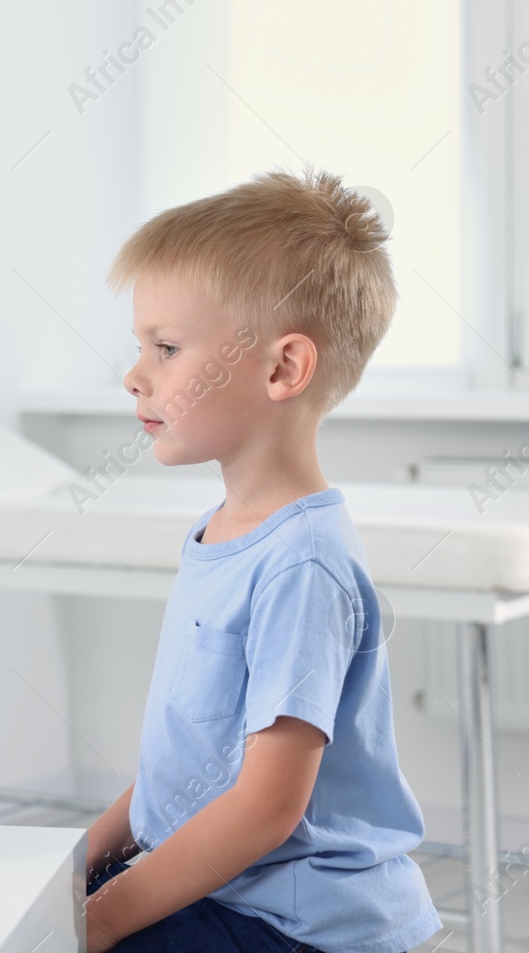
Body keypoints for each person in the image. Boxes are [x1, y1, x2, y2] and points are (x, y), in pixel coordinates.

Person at [83, 169, 441, 952]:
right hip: (238, 892)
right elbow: (190, 769)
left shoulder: (301, 564)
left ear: (283, 369)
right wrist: (80, 864)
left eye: (166, 348)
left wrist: (97, 920)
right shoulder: (224, 531)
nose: (134, 374)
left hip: (298, 923)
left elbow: (264, 809)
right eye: (141, 345)